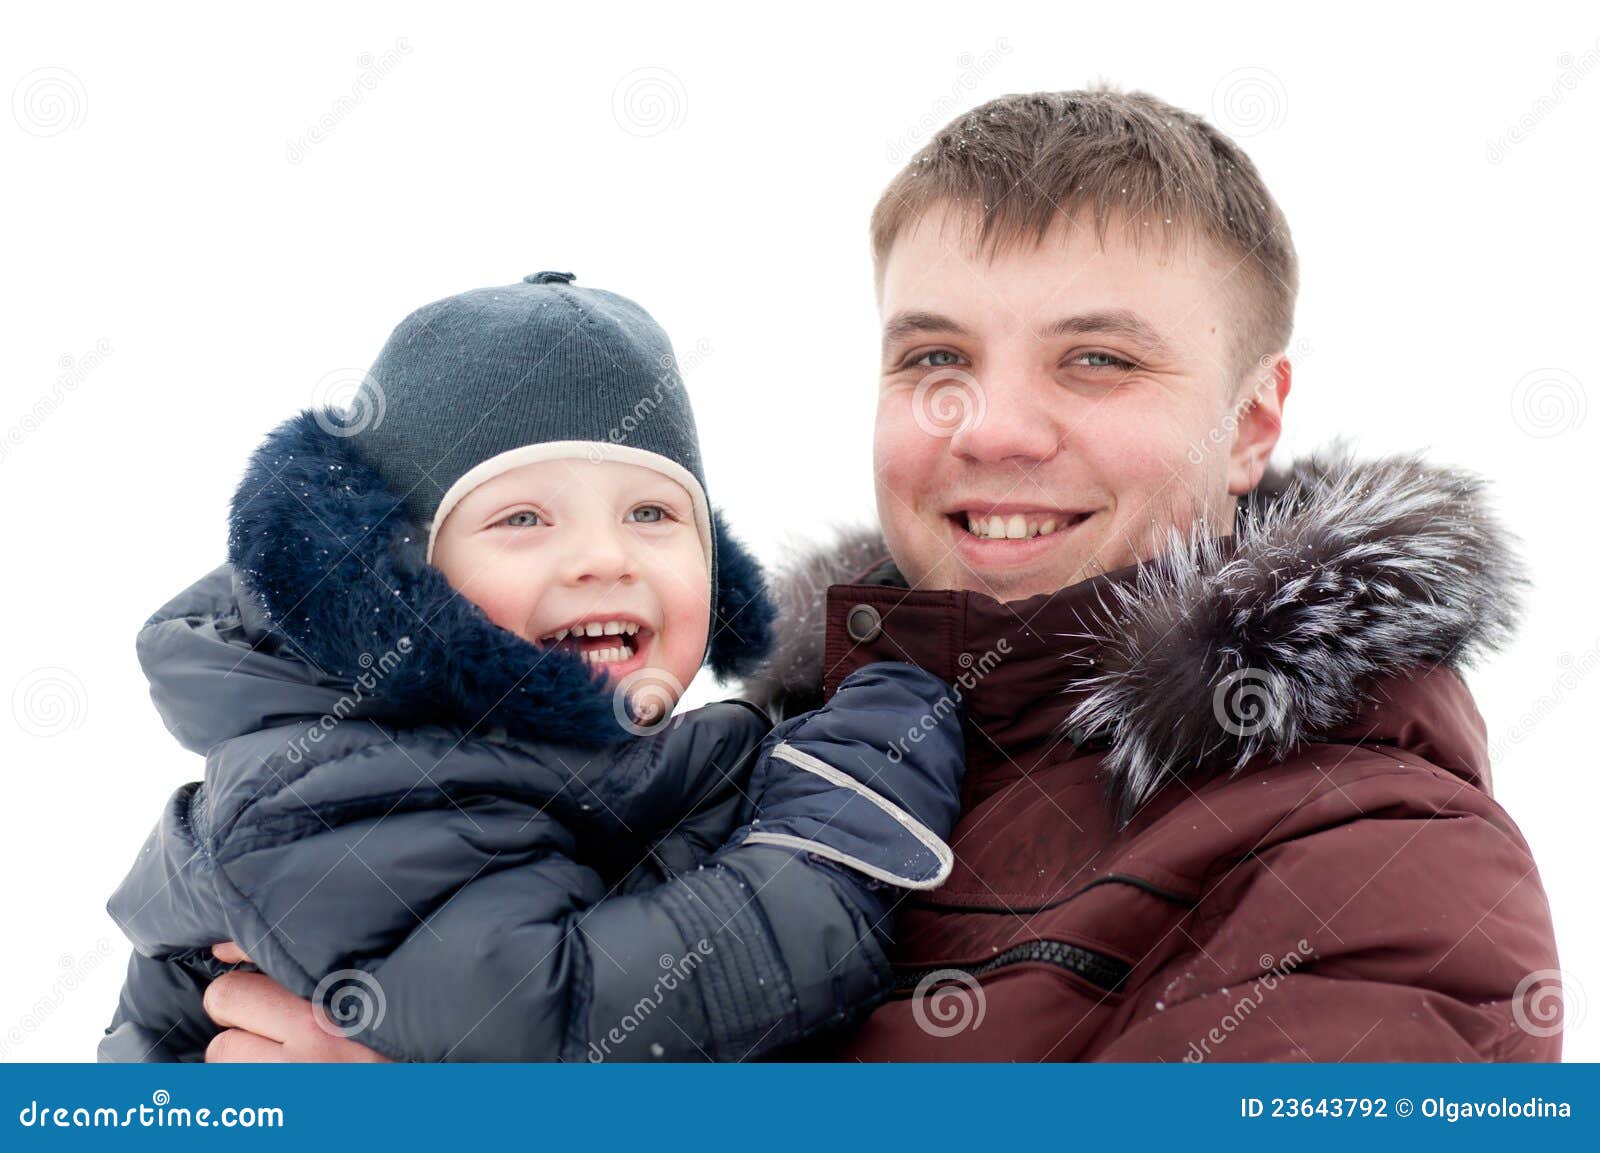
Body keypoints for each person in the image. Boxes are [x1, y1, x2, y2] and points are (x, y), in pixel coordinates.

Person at [194, 85, 1564, 1063]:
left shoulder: (1386, 866)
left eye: (1098, 358)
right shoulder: (747, 774)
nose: (996, 428)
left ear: (1253, 420)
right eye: (935, 359)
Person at [99, 272, 966, 1062]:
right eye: (522, 518)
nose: (603, 557)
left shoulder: (548, 762)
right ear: (402, 576)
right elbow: (557, 1025)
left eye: (653, 511)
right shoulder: (337, 781)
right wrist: (836, 839)